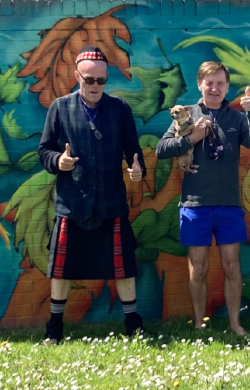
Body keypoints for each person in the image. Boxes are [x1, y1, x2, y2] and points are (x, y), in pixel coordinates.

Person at [38, 46, 147, 343]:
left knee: (123, 267)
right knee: (61, 270)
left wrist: (138, 169)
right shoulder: (59, 108)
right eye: (89, 80)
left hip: (111, 202)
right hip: (72, 203)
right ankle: (55, 328)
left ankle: (133, 325)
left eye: (101, 80)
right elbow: (44, 151)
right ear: (77, 77)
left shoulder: (120, 108)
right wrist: (57, 162)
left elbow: (133, 151)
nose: (96, 86)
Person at [156, 61, 250, 336]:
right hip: (194, 204)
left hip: (228, 204)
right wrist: (192, 138)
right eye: (209, 83)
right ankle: (198, 323)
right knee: (198, 267)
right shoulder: (187, 114)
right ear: (200, 85)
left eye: (220, 84)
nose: (214, 88)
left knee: (231, 265)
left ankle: (234, 324)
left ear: (227, 87)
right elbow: (162, 149)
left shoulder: (236, 117)